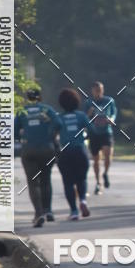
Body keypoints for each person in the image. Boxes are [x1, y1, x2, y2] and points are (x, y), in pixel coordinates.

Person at [14, 87, 59, 227]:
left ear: (27, 98)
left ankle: (38, 214)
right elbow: (59, 123)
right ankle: (48, 211)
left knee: (33, 183)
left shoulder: (23, 112)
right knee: (46, 180)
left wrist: (21, 137)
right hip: (47, 149)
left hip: (29, 150)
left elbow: (14, 131)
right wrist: (50, 135)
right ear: (40, 97)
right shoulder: (47, 109)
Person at [55, 88, 92, 221]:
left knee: (68, 182)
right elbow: (92, 130)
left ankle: (74, 211)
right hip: (80, 151)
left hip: (65, 152)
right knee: (81, 179)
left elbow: (51, 134)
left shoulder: (58, 118)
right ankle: (83, 200)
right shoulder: (81, 116)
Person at [82, 81, 117, 194]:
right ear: (92, 91)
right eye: (97, 90)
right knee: (96, 160)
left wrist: (111, 119)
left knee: (108, 154)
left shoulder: (109, 100)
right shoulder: (88, 103)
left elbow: (114, 113)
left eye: (100, 90)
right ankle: (98, 182)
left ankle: (105, 173)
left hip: (106, 132)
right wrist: (89, 113)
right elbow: (84, 119)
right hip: (94, 133)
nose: (99, 92)